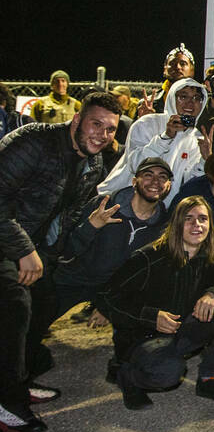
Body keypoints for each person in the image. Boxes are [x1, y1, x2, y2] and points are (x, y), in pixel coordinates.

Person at [0, 91, 121, 432]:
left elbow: (64, 218)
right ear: (76, 120)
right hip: (7, 242)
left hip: (33, 248)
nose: (102, 133)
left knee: (45, 303)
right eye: (96, 124)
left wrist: (52, 256)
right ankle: (8, 404)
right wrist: (24, 248)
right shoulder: (33, 142)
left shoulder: (93, 163)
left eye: (110, 129)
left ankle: (18, 383)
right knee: (15, 307)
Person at [25, 157, 173, 386]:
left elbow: (142, 271)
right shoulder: (102, 205)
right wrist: (91, 227)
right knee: (30, 325)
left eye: (162, 177)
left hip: (114, 287)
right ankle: (19, 375)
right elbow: (66, 249)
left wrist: (106, 306)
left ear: (169, 187)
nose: (155, 181)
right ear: (134, 181)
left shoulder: (163, 224)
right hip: (73, 277)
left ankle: (122, 363)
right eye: (148, 175)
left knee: (138, 313)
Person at [102, 196, 214, 409]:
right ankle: (126, 374)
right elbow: (109, 298)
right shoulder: (149, 258)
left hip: (180, 330)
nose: (196, 225)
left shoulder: (206, 257)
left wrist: (212, 294)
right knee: (169, 373)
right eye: (188, 219)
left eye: (202, 219)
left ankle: (210, 379)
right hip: (142, 338)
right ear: (176, 224)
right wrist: (151, 316)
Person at [99, 78, 211, 208]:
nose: (190, 103)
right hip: (116, 203)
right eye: (183, 97)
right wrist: (166, 137)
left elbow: (190, 183)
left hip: (156, 212)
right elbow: (136, 165)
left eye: (197, 98)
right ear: (171, 99)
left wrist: (204, 160)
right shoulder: (146, 124)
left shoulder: (197, 138)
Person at [142, 44, 196, 115]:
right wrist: (146, 121)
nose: (178, 67)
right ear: (165, 69)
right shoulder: (146, 105)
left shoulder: (204, 102)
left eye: (183, 63)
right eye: (172, 63)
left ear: (192, 70)